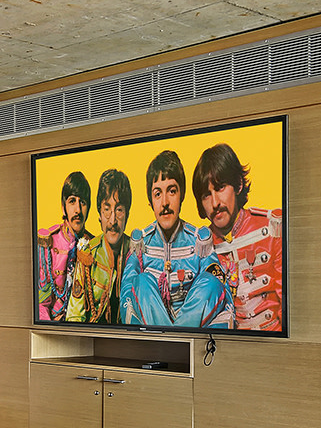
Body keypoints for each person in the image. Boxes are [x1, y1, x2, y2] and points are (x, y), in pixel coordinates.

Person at [119, 150, 230, 328]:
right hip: (150, 333)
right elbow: (126, 296)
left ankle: (173, 336)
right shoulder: (141, 242)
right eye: (157, 194)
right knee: (141, 281)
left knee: (212, 281)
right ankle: (174, 338)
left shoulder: (199, 240)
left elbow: (221, 293)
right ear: (150, 201)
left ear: (182, 195)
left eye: (171, 191)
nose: (165, 202)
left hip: (190, 337)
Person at [192, 142, 284, 332]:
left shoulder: (272, 227)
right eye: (206, 195)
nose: (215, 203)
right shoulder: (199, 245)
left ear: (238, 185)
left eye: (220, 188)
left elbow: (289, 305)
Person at [65, 169, 131, 324]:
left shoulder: (137, 252)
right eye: (107, 210)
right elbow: (74, 317)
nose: (112, 221)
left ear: (127, 215)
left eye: (119, 210)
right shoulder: (87, 254)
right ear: (100, 215)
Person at [36, 170, 91, 321]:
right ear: (63, 207)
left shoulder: (93, 245)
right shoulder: (48, 242)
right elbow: (41, 304)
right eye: (72, 201)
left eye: (83, 202)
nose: (78, 210)